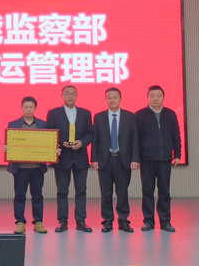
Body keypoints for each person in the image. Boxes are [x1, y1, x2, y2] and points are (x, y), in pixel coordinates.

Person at [5, 97, 59, 234]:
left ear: (35, 108)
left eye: (31, 107)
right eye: (26, 107)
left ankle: (38, 222)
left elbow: (48, 143)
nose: (28, 110)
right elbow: (10, 143)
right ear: (21, 108)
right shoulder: (13, 124)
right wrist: (7, 148)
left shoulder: (43, 124)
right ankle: (20, 222)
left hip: (37, 168)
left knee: (37, 196)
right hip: (20, 168)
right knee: (19, 196)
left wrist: (54, 150)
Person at [92, 87, 140, 233]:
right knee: (105, 192)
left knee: (122, 192)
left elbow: (135, 139)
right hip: (105, 160)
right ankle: (107, 221)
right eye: (109, 97)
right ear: (105, 99)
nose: (112, 100)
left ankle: (123, 220)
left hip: (122, 159)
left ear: (120, 98)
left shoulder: (130, 117)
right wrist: (94, 159)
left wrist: (135, 159)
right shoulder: (99, 117)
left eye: (115, 97)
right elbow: (95, 140)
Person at [46, 85, 94, 233]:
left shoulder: (85, 113)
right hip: (63, 158)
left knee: (81, 191)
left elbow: (90, 133)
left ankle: (81, 221)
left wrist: (82, 142)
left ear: (77, 96)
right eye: (67, 94)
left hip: (80, 157)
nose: (70, 96)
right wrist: (61, 143)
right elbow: (49, 133)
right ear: (62, 96)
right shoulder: (53, 113)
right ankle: (62, 221)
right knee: (62, 192)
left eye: (73, 94)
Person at [136, 85, 181, 233]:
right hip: (147, 160)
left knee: (164, 191)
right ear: (148, 97)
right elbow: (136, 139)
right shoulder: (140, 115)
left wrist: (177, 154)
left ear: (163, 97)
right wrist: (136, 158)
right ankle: (148, 221)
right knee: (147, 191)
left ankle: (165, 221)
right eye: (152, 96)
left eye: (158, 96)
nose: (155, 98)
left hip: (164, 159)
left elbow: (176, 135)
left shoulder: (170, 114)